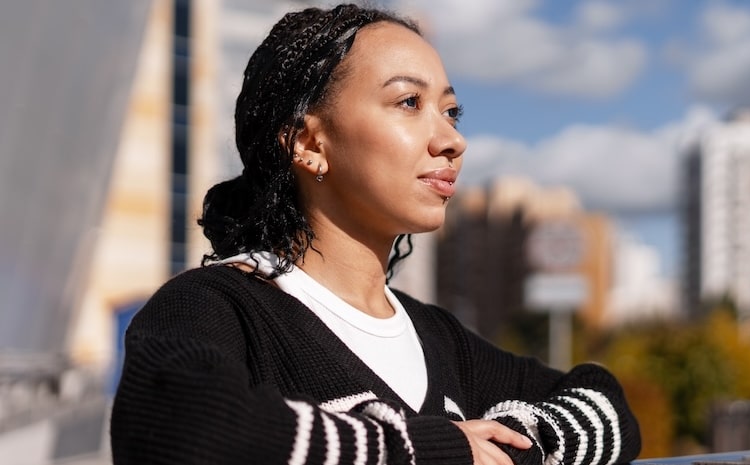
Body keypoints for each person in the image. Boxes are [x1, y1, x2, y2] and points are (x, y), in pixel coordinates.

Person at [110, 4, 641, 465]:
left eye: (452, 111)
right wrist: (438, 450)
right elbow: (185, 434)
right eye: (409, 103)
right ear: (310, 143)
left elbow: (605, 404)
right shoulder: (215, 307)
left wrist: (518, 441)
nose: (452, 139)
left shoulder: (438, 337)